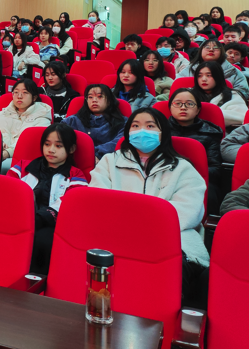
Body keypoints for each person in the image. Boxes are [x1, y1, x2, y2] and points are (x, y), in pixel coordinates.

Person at [89, 108, 209, 309]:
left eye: (150, 126)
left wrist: (145, 229)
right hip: (117, 236)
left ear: (163, 133)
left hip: (171, 238)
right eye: (135, 126)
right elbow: (98, 202)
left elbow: (189, 211)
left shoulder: (182, 168)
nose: (142, 131)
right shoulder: (110, 162)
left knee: (169, 274)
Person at [8, 124, 88, 274]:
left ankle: (38, 280)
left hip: (52, 224)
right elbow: (9, 191)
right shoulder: (23, 167)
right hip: (19, 217)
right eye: (47, 144)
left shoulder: (76, 175)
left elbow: (71, 201)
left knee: (42, 240)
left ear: (71, 149)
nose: (51, 150)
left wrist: (40, 217)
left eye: (58, 146)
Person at [167, 88, 224, 214]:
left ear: (198, 109)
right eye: (178, 103)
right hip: (164, 178)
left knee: (210, 194)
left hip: (198, 180)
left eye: (189, 104)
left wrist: (187, 174)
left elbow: (215, 169)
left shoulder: (210, 133)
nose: (183, 107)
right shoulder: (159, 130)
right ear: (170, 107)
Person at [0, 79, 53, 173]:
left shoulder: (42, 116)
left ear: (34, 97)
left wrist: (7, 152)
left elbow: (31, 143)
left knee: (0, 166)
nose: (19, 96)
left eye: (25, 92)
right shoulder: (4, 113)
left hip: (23, 159)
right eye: (16, 92)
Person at [62, 84, 128, 161]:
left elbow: (119, 142)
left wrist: (96, 154)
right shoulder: (72, 121)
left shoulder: (123, 122)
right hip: (78, 160)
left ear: (109, 101)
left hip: (110, 160)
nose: (94, 100)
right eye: (90, 97)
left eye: (100, 96)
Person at [184, 40, 249, 101]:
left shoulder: (233, 71)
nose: (211, 50)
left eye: (215, 48)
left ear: (222, 52)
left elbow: (243, 92)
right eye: (207, 47)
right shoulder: (190, 68)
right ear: (200, 50)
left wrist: (221, 98)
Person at [191, 61, 248, 127]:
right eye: (199, 76)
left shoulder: (232, 95)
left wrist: (208, 115)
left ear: (218, 77)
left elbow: (242, 117)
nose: (203, 79)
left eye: (209, 75)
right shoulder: (189, 95)